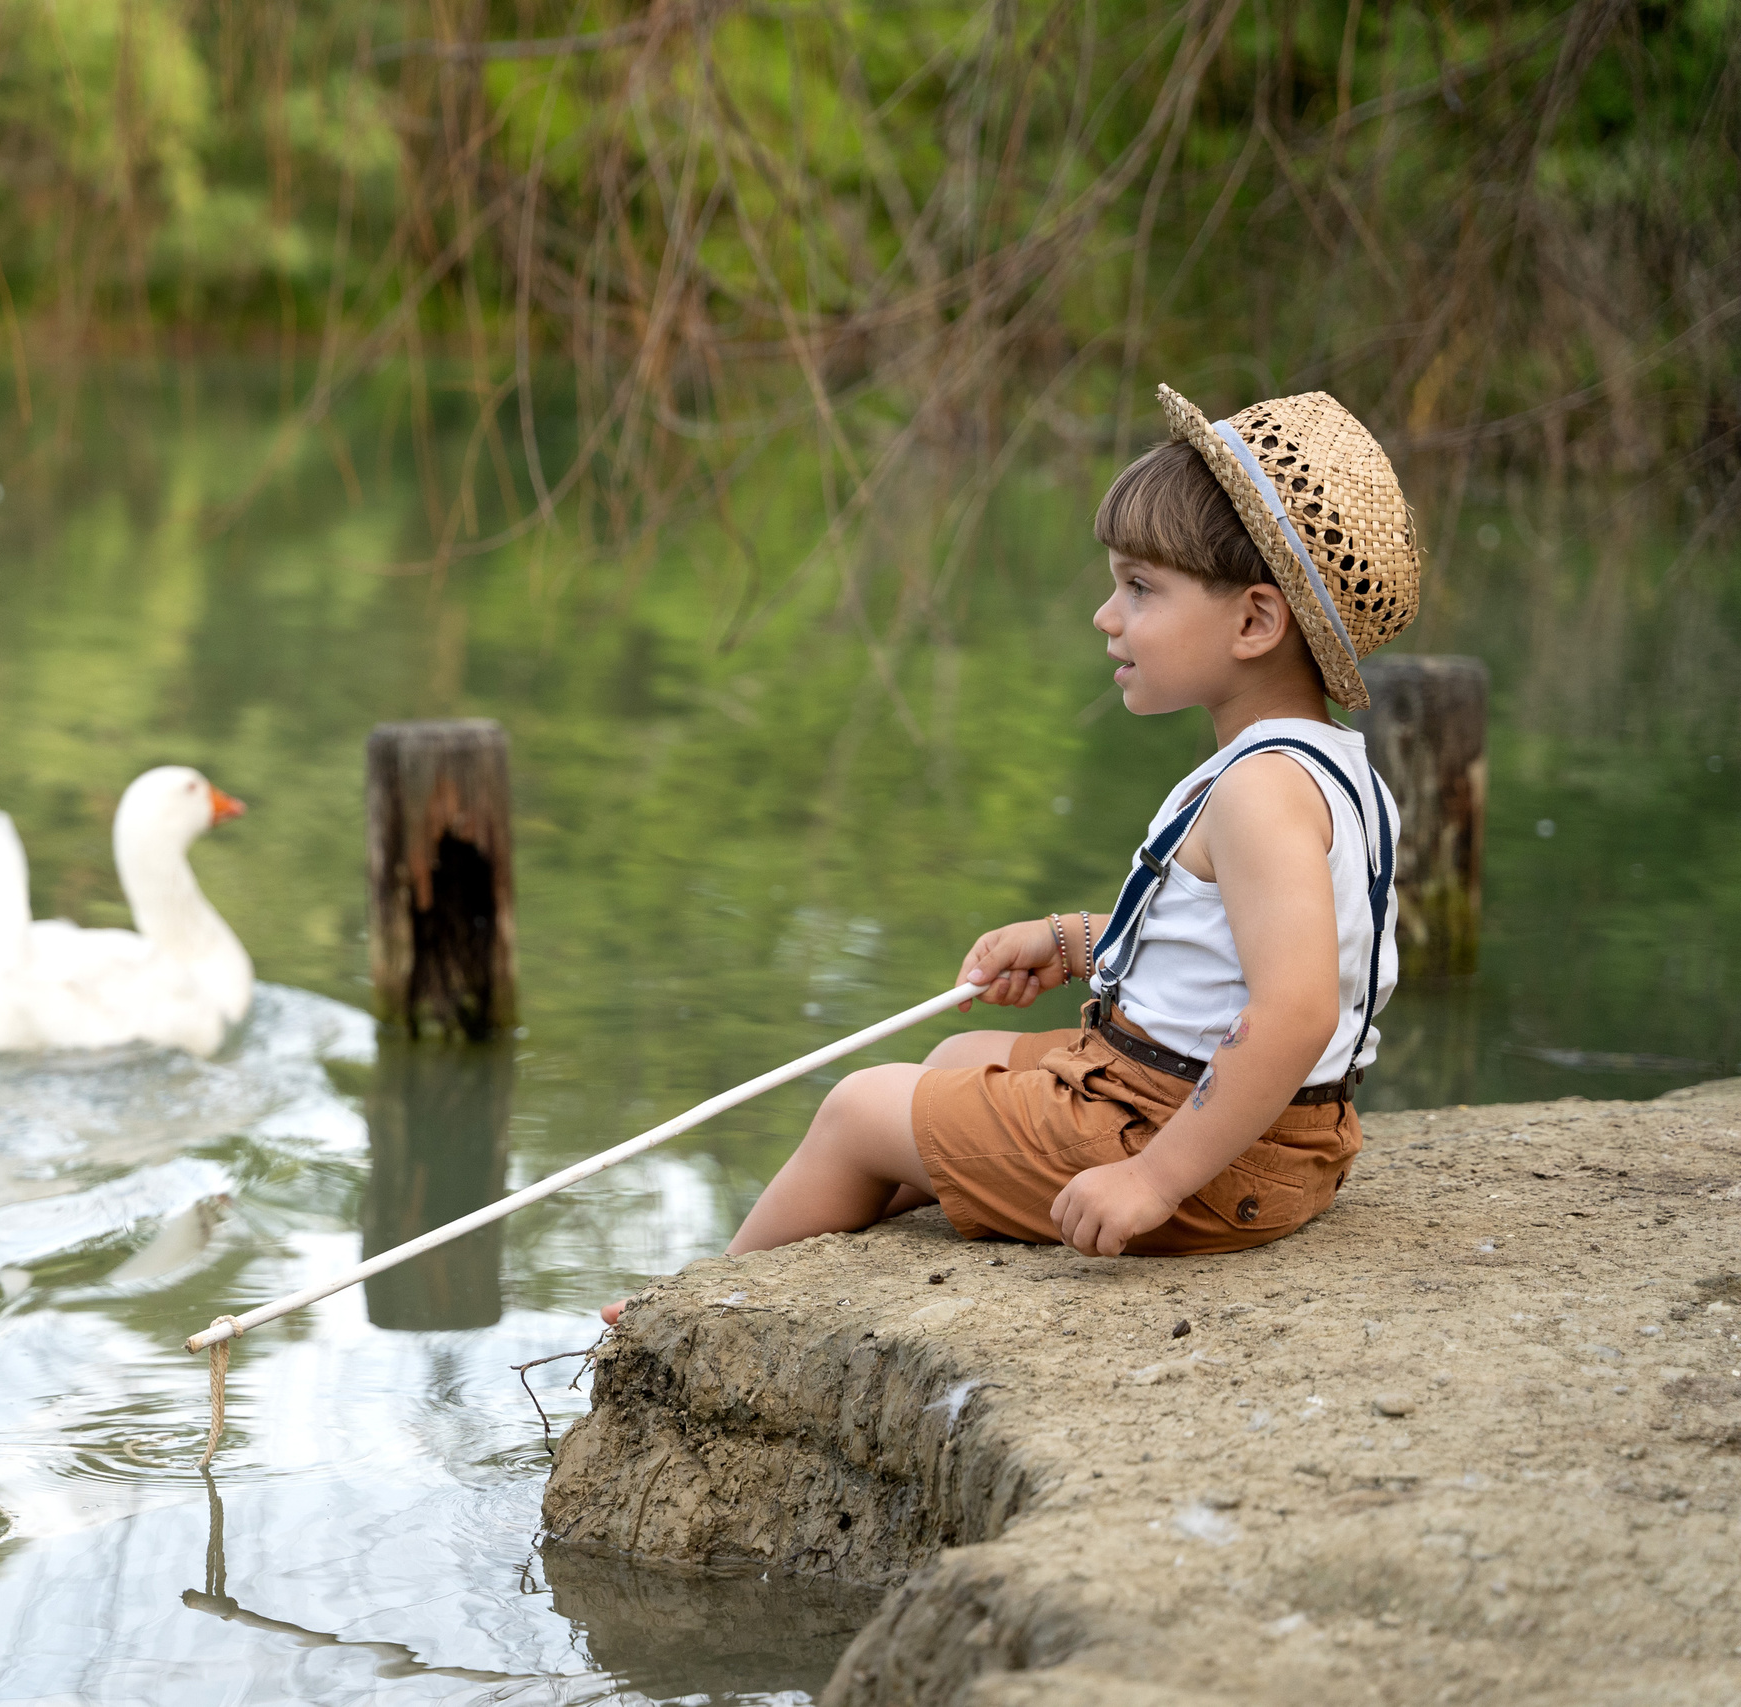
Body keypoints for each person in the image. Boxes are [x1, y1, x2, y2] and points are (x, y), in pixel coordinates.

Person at [609, 385, 1421, 1317]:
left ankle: (683, 1316)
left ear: (1253, 623)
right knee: (959, 1056)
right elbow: (1218, 954)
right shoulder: (1328, 769)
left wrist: (1151, 1181)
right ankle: (934, 1177)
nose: (1105, 617)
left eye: (1139, 588)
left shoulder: (1258, 790)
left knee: (858, 1109)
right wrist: (1070, 939)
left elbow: (1295, 1008)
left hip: (1195, 1149)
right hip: (1285, 1141)